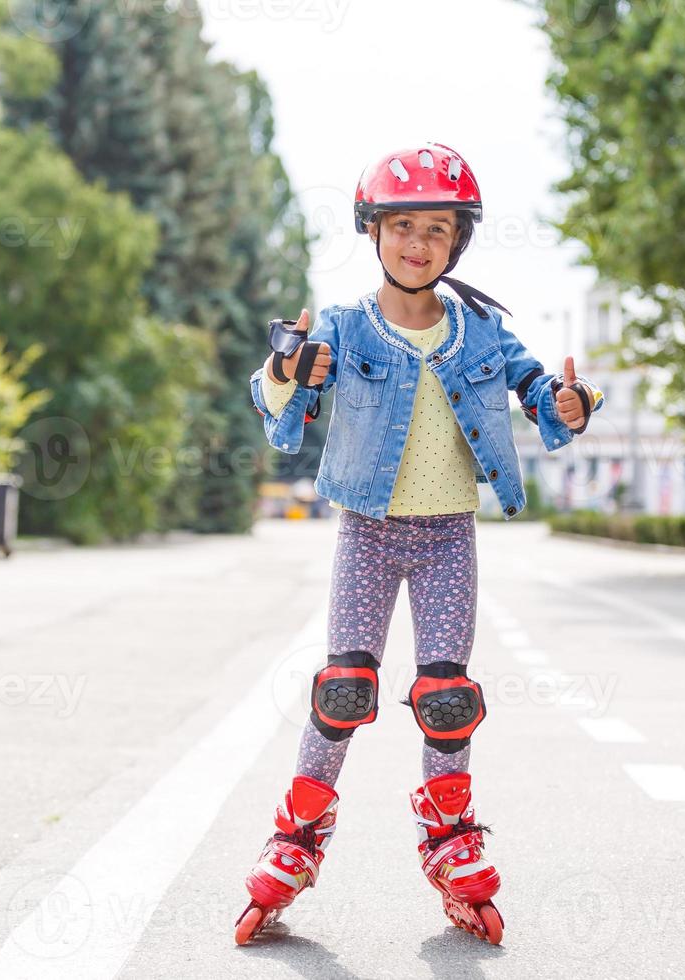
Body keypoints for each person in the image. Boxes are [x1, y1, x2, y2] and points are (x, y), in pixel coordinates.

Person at [235, 142, 604, 946]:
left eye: (437, 227)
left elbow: (543, 391)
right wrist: (288, 366)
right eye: (401, 225)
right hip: (367, 533)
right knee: (344, 688)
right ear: (373, 232)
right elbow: (276, 400)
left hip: (446, 538)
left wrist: (568, 406)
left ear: (457, 241)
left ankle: (449, 842)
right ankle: (293, 842)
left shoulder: (480, 332)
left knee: (446, 699)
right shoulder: (338, 328)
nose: (418, 242)